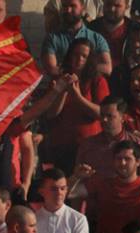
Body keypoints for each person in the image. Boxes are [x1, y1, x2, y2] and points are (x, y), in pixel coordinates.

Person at [41, 38, 109, 175]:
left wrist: (78, 97)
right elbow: (50, 114)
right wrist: (63, 91)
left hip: (90, 147)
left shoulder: (98, 81)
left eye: (84, 56)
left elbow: (103, 114)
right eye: (76, 54)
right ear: (70, 55)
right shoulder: (58, 80)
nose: (79, 59)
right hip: (62, 146)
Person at [84, 140, 140, 233]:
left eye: (127, 159)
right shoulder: (102, 185)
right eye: (118, 158)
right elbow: (70, 193)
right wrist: (77, 177)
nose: (122, 163)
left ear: (138, 161)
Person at [75, 96, 140, 183]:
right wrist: (79, 175)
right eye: (102, 115)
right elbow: (76, 177)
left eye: (109, 116)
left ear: (123, 118)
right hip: (95, 190)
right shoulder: (87, 144)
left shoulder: (137, 144)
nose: (104, 120)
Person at [40, 0, 112, 78]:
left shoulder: (96, 38)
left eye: (73, 6)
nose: (68, 10)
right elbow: (51, 69)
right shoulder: (52, 39)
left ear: (82, 8)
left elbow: (107, 68)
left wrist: (75, 69)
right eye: (65, 6)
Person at [89, 0, 134, 71]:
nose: (112, 9)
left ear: (127, 6)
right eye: (108, 4)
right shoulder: (91, 28)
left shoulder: (134, 30)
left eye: (117, 6)